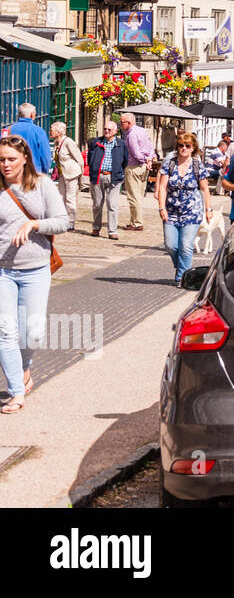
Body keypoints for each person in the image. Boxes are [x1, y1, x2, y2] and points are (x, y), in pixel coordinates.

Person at [0, 134, 71, 412]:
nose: (6, 165)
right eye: (2, 160)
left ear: (25, 158)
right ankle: (16, 391)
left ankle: (25, 368)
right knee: (5, 331)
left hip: (36, 270)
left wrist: (33, 225)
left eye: (11, 159)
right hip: (3, 271)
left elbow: (63, 222)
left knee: (32, 332)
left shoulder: (42, 185)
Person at [156, 133, 213, 287]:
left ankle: (183, 277)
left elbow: (205, 188)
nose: (184, 148)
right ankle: (181, 267)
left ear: (193, 148)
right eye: (181, 145)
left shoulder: (197, 164)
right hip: (171, 210)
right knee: (170, 245)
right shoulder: (170, 163)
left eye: (187, 146)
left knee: (186, 245)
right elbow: (162, 187)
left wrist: (208, 209)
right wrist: (161, 208)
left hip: (192, 211)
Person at [87, 122, 126, 239]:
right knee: (97, 204)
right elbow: (90, 159)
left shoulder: (121, 144)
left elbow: (125, 161)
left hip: (114, 177)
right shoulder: (96, 142)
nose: (106, 131)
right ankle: (96, 227)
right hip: (98, 176)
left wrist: (118, 172)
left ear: (115, 131)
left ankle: (112, 231)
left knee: (112, 204)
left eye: (109, 129)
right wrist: (94, 170)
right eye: (105, 129)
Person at [118, 112, 154, 231]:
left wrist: (144, 160)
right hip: (144, 166)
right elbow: (150, 147)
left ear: (128, 123)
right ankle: (133, 221)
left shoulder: (131, 135)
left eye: (122, 122)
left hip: (134, 167)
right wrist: (149, 160)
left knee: (133, 197)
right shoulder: (142, 131)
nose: (120, 125)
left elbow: (136, 153)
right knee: (138, 196)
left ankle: (137, 223)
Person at [49, 121, 83, 230]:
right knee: (60, 197)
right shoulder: (56, 142)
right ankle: (62, 219)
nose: (50, 132)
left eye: (51, 130)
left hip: (71, 173)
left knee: (70, 198)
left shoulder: (68, 142)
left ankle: (71, 222)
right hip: (62, 174)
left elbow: (79, 159)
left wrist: (79, 174)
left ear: (58, 132)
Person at [9, 103, 51, 175]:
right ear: (32, 115)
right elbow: (45, 157)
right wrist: (44, 173)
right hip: (33, 173)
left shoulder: (7, 130)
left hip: (12, 173)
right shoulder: (38, 131)